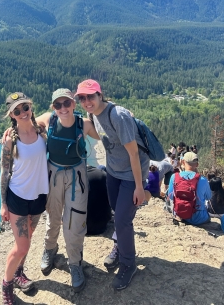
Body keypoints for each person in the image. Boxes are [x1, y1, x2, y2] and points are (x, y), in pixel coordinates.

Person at [75, 79, 149, 291]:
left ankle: (128, 264)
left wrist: (138, 186)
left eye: (91, 96)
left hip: (131, 174)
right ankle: (120, 245)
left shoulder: (117, 115)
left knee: (123, 220)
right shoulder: (93, 114)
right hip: (114, 172)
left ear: (100, 94)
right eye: (82, 98)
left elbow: (134, 153)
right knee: (118, 213)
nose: (87, 101)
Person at [36, 88, 99, 293]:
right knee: (53, 216)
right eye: (58, 105)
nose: (62, 108)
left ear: (73, 104)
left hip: (77, 177)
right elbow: (27, 125)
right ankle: (50, 249)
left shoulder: (85, 124)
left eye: (66, 103)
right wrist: (10, 130)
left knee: (74, 223)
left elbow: (108, 135)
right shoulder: (49, 120)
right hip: (53, 173)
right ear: (53, 107)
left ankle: (74, 263)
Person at [0, 92, 49, 305]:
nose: (22, 113)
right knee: (22, 247)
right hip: (18, 197)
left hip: (38, 196)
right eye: (17, 110)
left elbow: (53, 112)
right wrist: (3, 203)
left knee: (27, 241)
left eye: (25, 107)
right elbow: (4, 172)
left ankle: (19, 273)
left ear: (31, 107)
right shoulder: (11, 139)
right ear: (11, 114)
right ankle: (7, 284)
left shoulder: (41, 130)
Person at [167, 151, 211, 225]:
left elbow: (170, 196)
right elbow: (208, 197)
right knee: (208, 216)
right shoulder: (203, 180)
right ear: (197, 165)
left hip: (180, 214)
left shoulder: (174, 177)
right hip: (198, 218)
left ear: (183, 162)